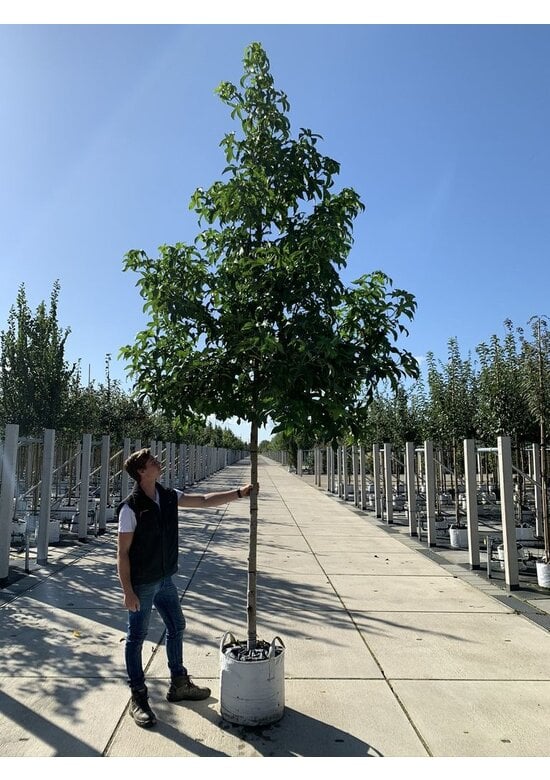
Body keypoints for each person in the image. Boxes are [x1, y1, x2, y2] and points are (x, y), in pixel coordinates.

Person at [117, 447, 255, 728]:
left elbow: (203, 500)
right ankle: (139, 696)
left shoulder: (168, 496)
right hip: (142, 583)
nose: (158, 462)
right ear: (142, 472)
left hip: (165, 578)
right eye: (152, 461)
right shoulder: (131, 508)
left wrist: (239, 493)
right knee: (137, 637)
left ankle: (178, 683)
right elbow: (122, 553)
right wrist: (128, 591)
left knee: (177, 626)